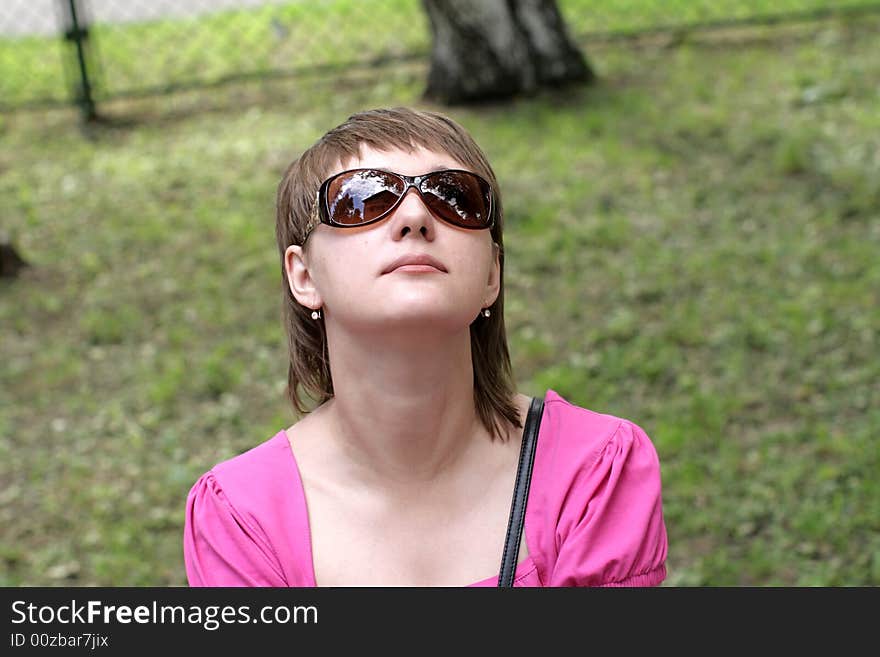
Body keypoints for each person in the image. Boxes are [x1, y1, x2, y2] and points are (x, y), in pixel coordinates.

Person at [183, 106, 668, 587]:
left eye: (454, 198)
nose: (415, 217)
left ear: (492, 275)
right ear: (304, 276)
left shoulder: (594, 475)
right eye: (364, 200)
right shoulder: (241, 517)